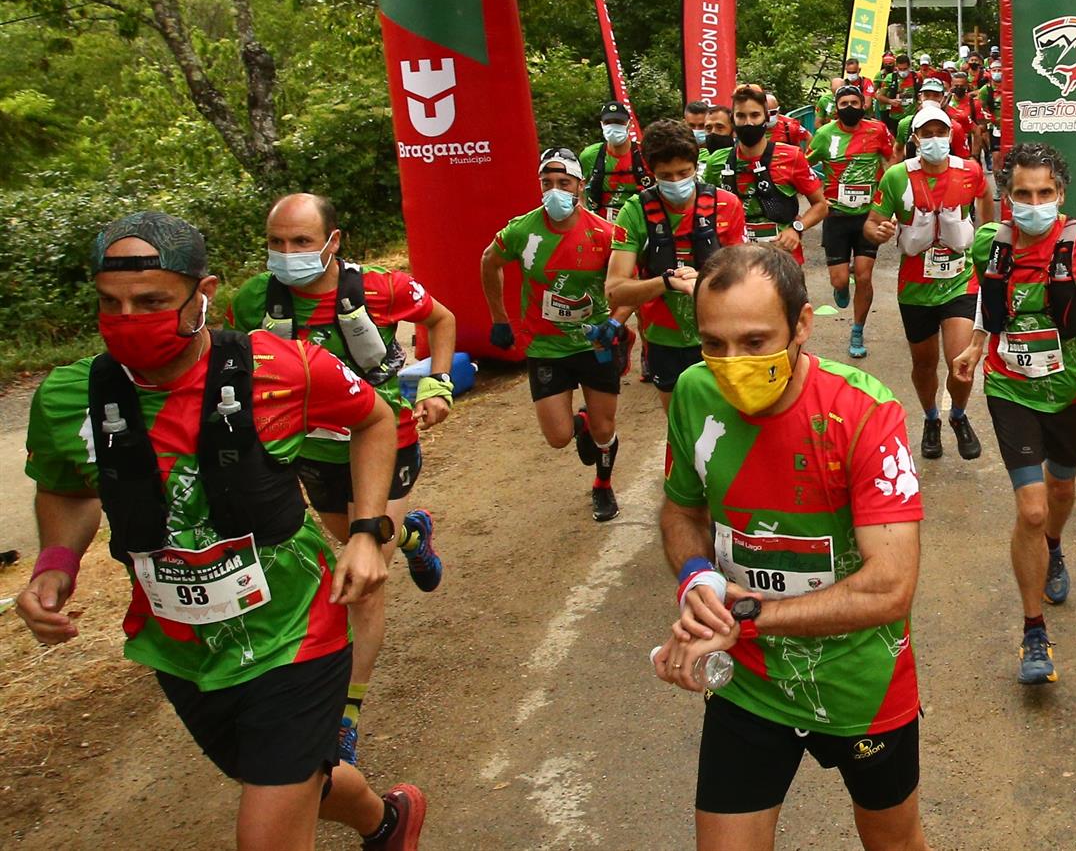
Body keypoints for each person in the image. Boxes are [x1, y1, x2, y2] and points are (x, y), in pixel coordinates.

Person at [16, 211, 426, 851]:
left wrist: (370, 532)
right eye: (111, 302)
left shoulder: (281, 367)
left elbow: (374, 420)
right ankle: (387, 821)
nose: (129, 318)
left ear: (201, 296)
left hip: (296, 628)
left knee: (267, 826)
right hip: (178, 641)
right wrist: (56, 564)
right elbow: (66, 488)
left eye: (151, 301)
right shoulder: (69, 397)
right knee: (279, 776)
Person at [651, 244, 928, 850]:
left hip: (860, 681)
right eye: (714, 344)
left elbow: (890, 586)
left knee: (894, 842)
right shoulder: (695, 394)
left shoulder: (865, 413)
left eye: (754, 342)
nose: (732, 364)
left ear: (803, 325)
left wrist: (743, 615)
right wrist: (698, 577)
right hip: (749, 681)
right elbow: (682, 508)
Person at [228, 193, 454, 765]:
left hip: (385, 438)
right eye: (277, 242)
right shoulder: (254, 299)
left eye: (301, 242)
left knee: (363, 578)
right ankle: (411, 537)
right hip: (311, 448)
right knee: (350, 537)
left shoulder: (382, 288)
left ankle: (344, 717)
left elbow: (441, 318)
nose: (287, 254)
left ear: (333, 241)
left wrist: (438, 383)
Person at [952, 144, 1076, 685]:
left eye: (1044, 193)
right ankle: (1034, 632)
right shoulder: (992, 243)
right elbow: (992, 309)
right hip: (1009, 388)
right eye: (1021, 194)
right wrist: (973, 346)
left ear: (1060, 194)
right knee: (1030, 510)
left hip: (1071, 392)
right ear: (1006, 196)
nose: (1032, 204)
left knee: (1060, 492)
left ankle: (1054, 549)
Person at [481, 148, 632, 523]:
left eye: (563, 183)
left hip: (595, 342)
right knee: (558, 437)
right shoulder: (522, 229)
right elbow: (489, 261)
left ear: (579, 186)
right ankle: (579, 423)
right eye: (546, 184)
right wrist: (500, 319)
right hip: (546, 344)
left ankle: (602, 484)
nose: (555, 191)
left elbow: (629, 286)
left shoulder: (605, 233)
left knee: (605, 428)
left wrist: (615, 322)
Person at [865, 103, 995, 462]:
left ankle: (958, 415)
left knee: (961, 363)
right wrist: (880, 231)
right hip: (915, 286)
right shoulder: (896, 177)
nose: (935, 139)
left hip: (959, 281)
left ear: (951, 136)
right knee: (924, 365)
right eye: (927, 134)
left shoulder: (968, 171)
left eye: (941, 132)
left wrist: (986, 233)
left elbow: (985, 195)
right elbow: (872, 223)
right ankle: (931, 419)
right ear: (916, 139)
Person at [608, 120, 748, 412]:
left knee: (728, 419)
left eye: (684, 173)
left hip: (720, 333)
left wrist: (706, 280)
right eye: (665, 176)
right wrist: (667, 281)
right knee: (681, 423)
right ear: (651, 172)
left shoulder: (727, 204)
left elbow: (744, 278)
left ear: (696, 165)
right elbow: (615, 290)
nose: (675, 182)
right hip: (665, 338)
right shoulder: (634, 213)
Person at [809, 84, 896, 359]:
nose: (849, 107)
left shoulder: (877, 130)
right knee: (838, 280)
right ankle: (841, 286)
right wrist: (816, 193)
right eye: (844, 103)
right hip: (836, 216)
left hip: (867, 216)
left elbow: (890, 160)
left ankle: (857, 330)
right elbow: (803, 165)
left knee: (864, 274)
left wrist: (888, 192)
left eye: (854, 103)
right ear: (836, 108)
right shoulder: (824, 135)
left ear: (863, 105)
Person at [703, 85, 827, 261]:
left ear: (766, 117)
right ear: (732, 120)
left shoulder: (791, 156)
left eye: (755, 115)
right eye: (741, 116)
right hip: (736, 259)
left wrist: (797, 228)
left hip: (782, 257)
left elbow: (821, 205)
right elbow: (705, 207)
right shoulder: (716, 161)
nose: (748, 123)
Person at [579, 100, 648, 220]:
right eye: (608, 122)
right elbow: (577, 188)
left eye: (619, 122)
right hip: (601, 225)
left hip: (639, 224)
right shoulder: (589, 155)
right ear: (601, 124)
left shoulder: (645, 153)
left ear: (629, 124)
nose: (613, 127)